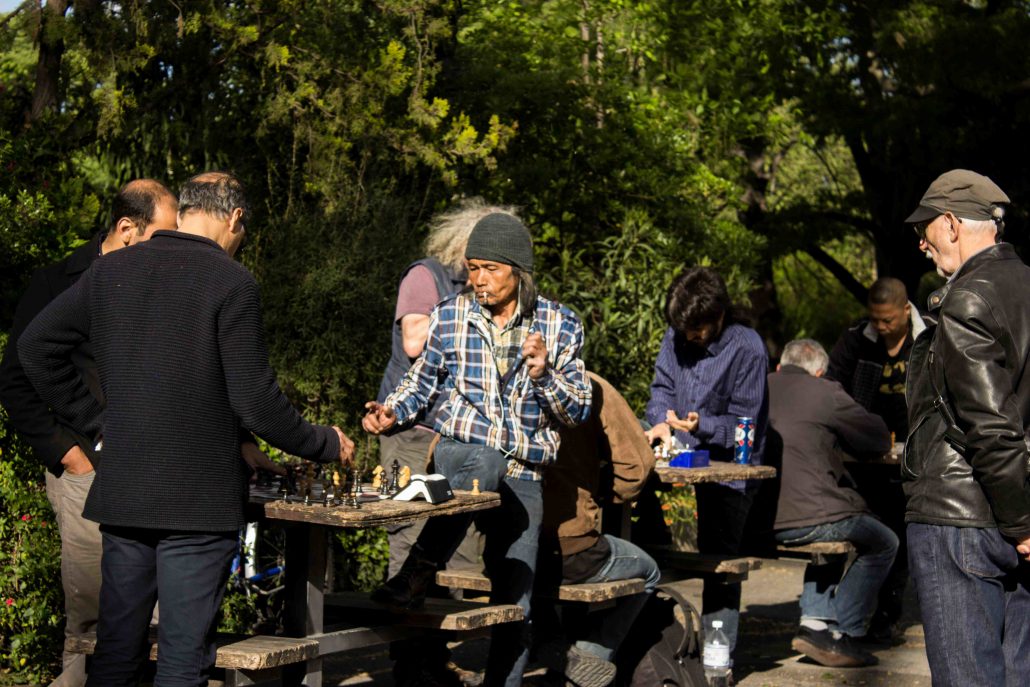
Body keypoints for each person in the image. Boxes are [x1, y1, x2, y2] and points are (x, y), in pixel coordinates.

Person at [18, 171, 355, 686]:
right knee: (181, 660)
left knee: (115, 655)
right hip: (198, 505)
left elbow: (36, 347)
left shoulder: (112, 272)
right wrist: (326, 442)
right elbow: (257, 402)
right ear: (235, 218)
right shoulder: (232, 282)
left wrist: (96, 423)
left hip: (125, 494)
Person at [363, 212, 592, 686]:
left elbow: (577, 411)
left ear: (519, 271)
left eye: (491, 269)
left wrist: (543, 374)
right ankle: (423, 567)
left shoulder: (561, 324)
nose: (479, 279)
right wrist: (392, 411)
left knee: (516, 605)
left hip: (524, 469)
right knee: (483, 457)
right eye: (472, 268)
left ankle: (420, 573)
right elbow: (420, 381)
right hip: (459, 451)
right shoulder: (450, 314)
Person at [0, 179, 178, 687]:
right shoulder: (57, 283)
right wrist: (70, 454)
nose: (172, 249)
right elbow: (16, 379)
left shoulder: (162, 288)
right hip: (87, 475)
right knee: (92, 625)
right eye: (163, 235)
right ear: (126, 229)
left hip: (152, 477)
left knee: (159, 625)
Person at [902, 169, 1030, 686]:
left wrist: (1021, 523)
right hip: (1012, 513)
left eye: (925, 230)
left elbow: (991, 425)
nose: (921, 244)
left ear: (952, 224)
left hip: (962, 519)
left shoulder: (968, 298)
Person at [374, 199, 506, 686]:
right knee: (407, 541)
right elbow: (413, 342)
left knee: (460, 551)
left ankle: (441, 658)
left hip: (458, 436)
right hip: (411, 434)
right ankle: (411, 664)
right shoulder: (426, 278)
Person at [644, 266, 768, 664]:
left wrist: (703, 425)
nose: (690, 337)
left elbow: (746, 423)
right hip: (676, 458)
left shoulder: (747, 347)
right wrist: (663, 419)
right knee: (645, 535)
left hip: (732, 468)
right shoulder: (676, 335)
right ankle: (652, 643)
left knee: (720, 564)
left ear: (718, 316)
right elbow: (661, 387)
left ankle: (718, 659)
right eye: (684, 330)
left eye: (697, 329)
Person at [769, 339, 897, 668]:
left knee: (831, 522)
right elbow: (876, 437)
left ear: (781, 366)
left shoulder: (759, 386)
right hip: (808, 516)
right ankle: (843, 632)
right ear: (821, 371)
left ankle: (815, 624)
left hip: (759, 521)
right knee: (884, 541)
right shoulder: (824, 391)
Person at [539, 371, 660, 685]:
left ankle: (548, 640)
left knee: (530, 573)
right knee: (649, 572)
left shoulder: (489, 379)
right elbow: (637, 467)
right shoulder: (588, 385)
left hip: (502, 548)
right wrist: (603, 494)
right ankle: (586, 657)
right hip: (570, 548)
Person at [825, 276, 926, 640]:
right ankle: (848, 616)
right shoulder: (856, 339)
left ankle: (887, 617)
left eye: (888, 320)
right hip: (864, 455)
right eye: (875, 319)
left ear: (905, 309)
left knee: (899, 535)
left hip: (913, 454)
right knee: (868, 535)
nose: (881, 327)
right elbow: (832, 385)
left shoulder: (927, 337)